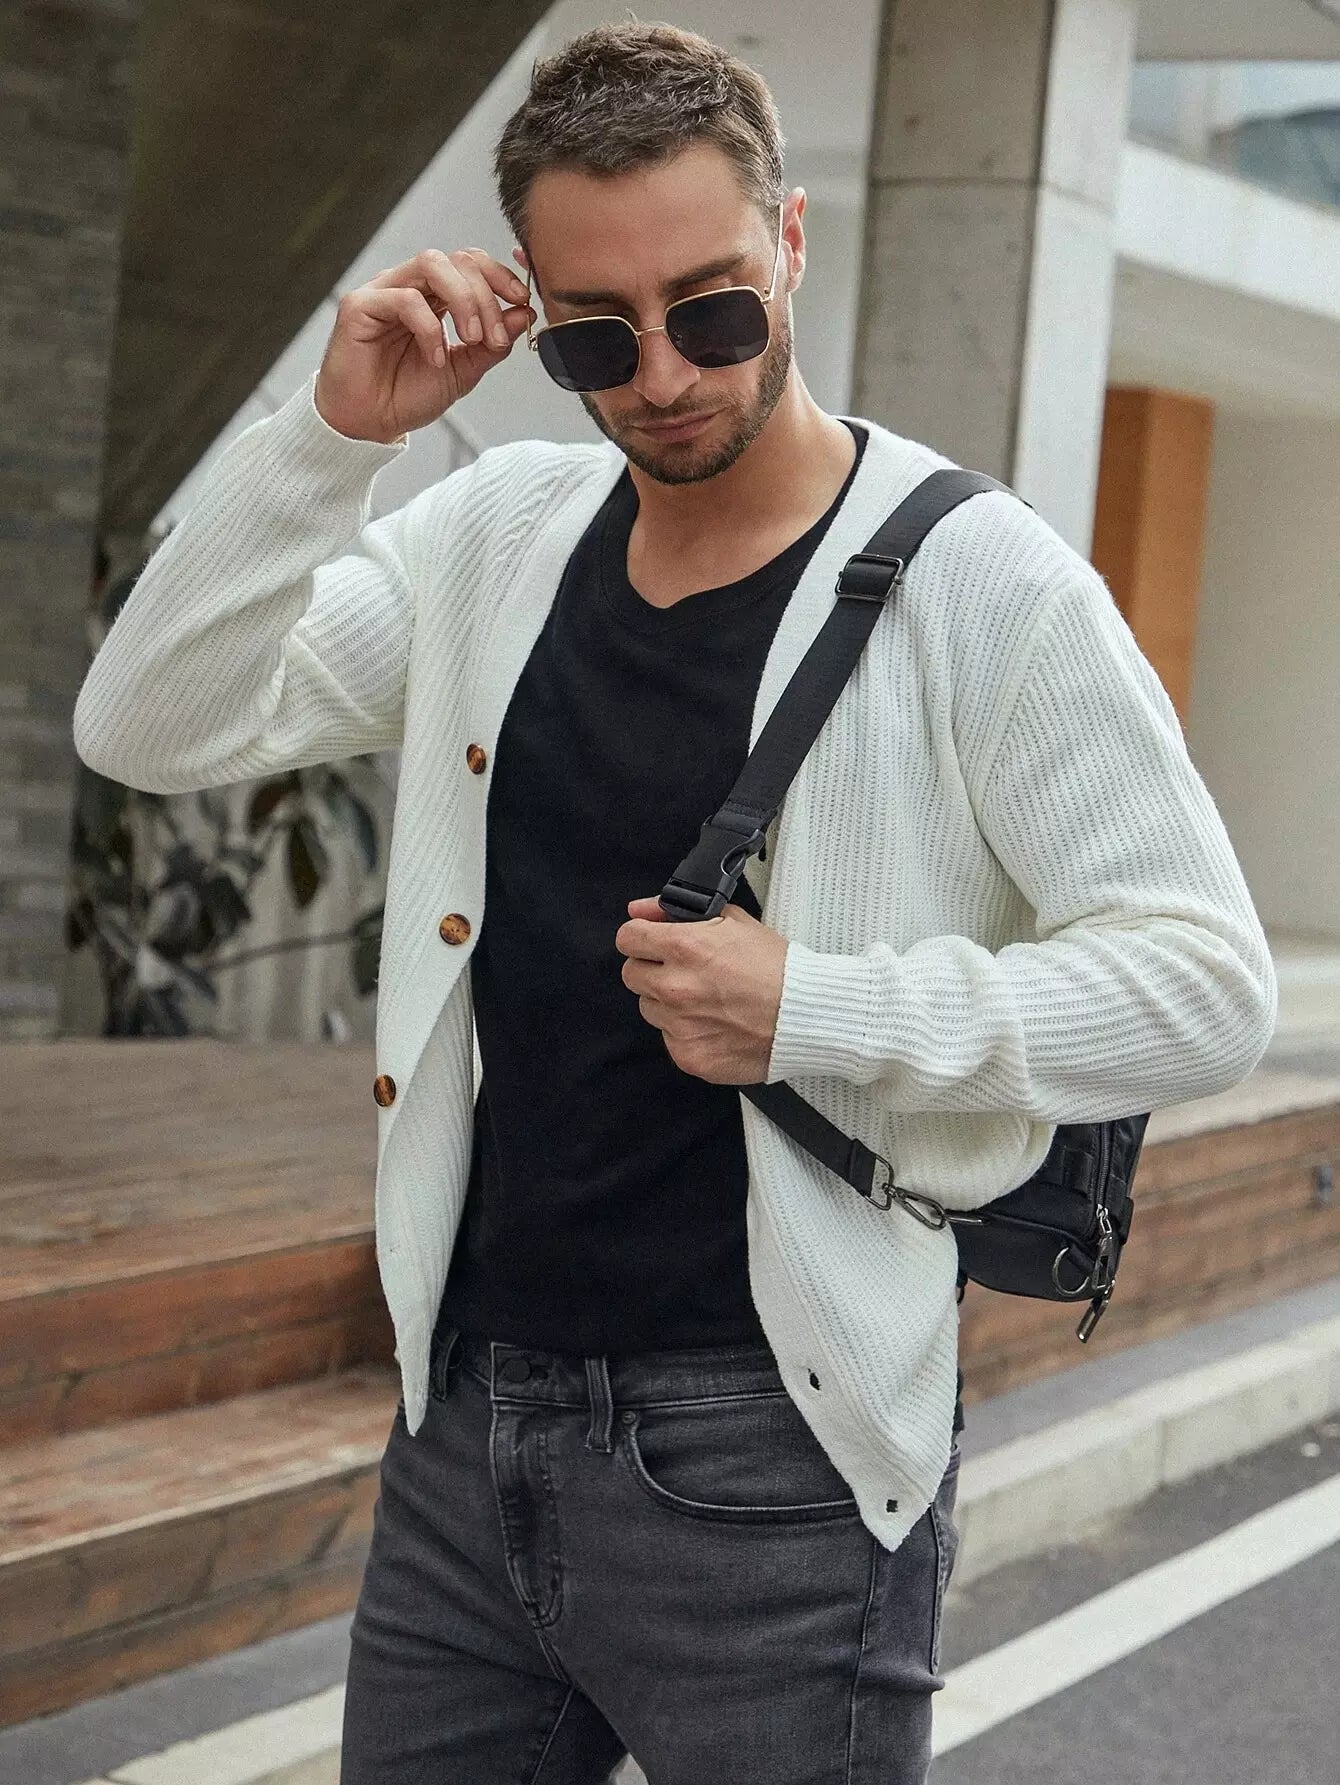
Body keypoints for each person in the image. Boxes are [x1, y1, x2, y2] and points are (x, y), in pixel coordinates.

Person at [71, 21, 1278, 1785]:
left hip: (774, 1457)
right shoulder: (500, 536)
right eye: (593, 334)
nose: (659, 374)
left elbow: (1207, 984)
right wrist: (326, 442)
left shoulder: (987, 586)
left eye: (708, 309)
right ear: (534, 313)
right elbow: (147, 725)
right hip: (467, 1422)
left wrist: (816, 1007)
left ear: (789, 242)